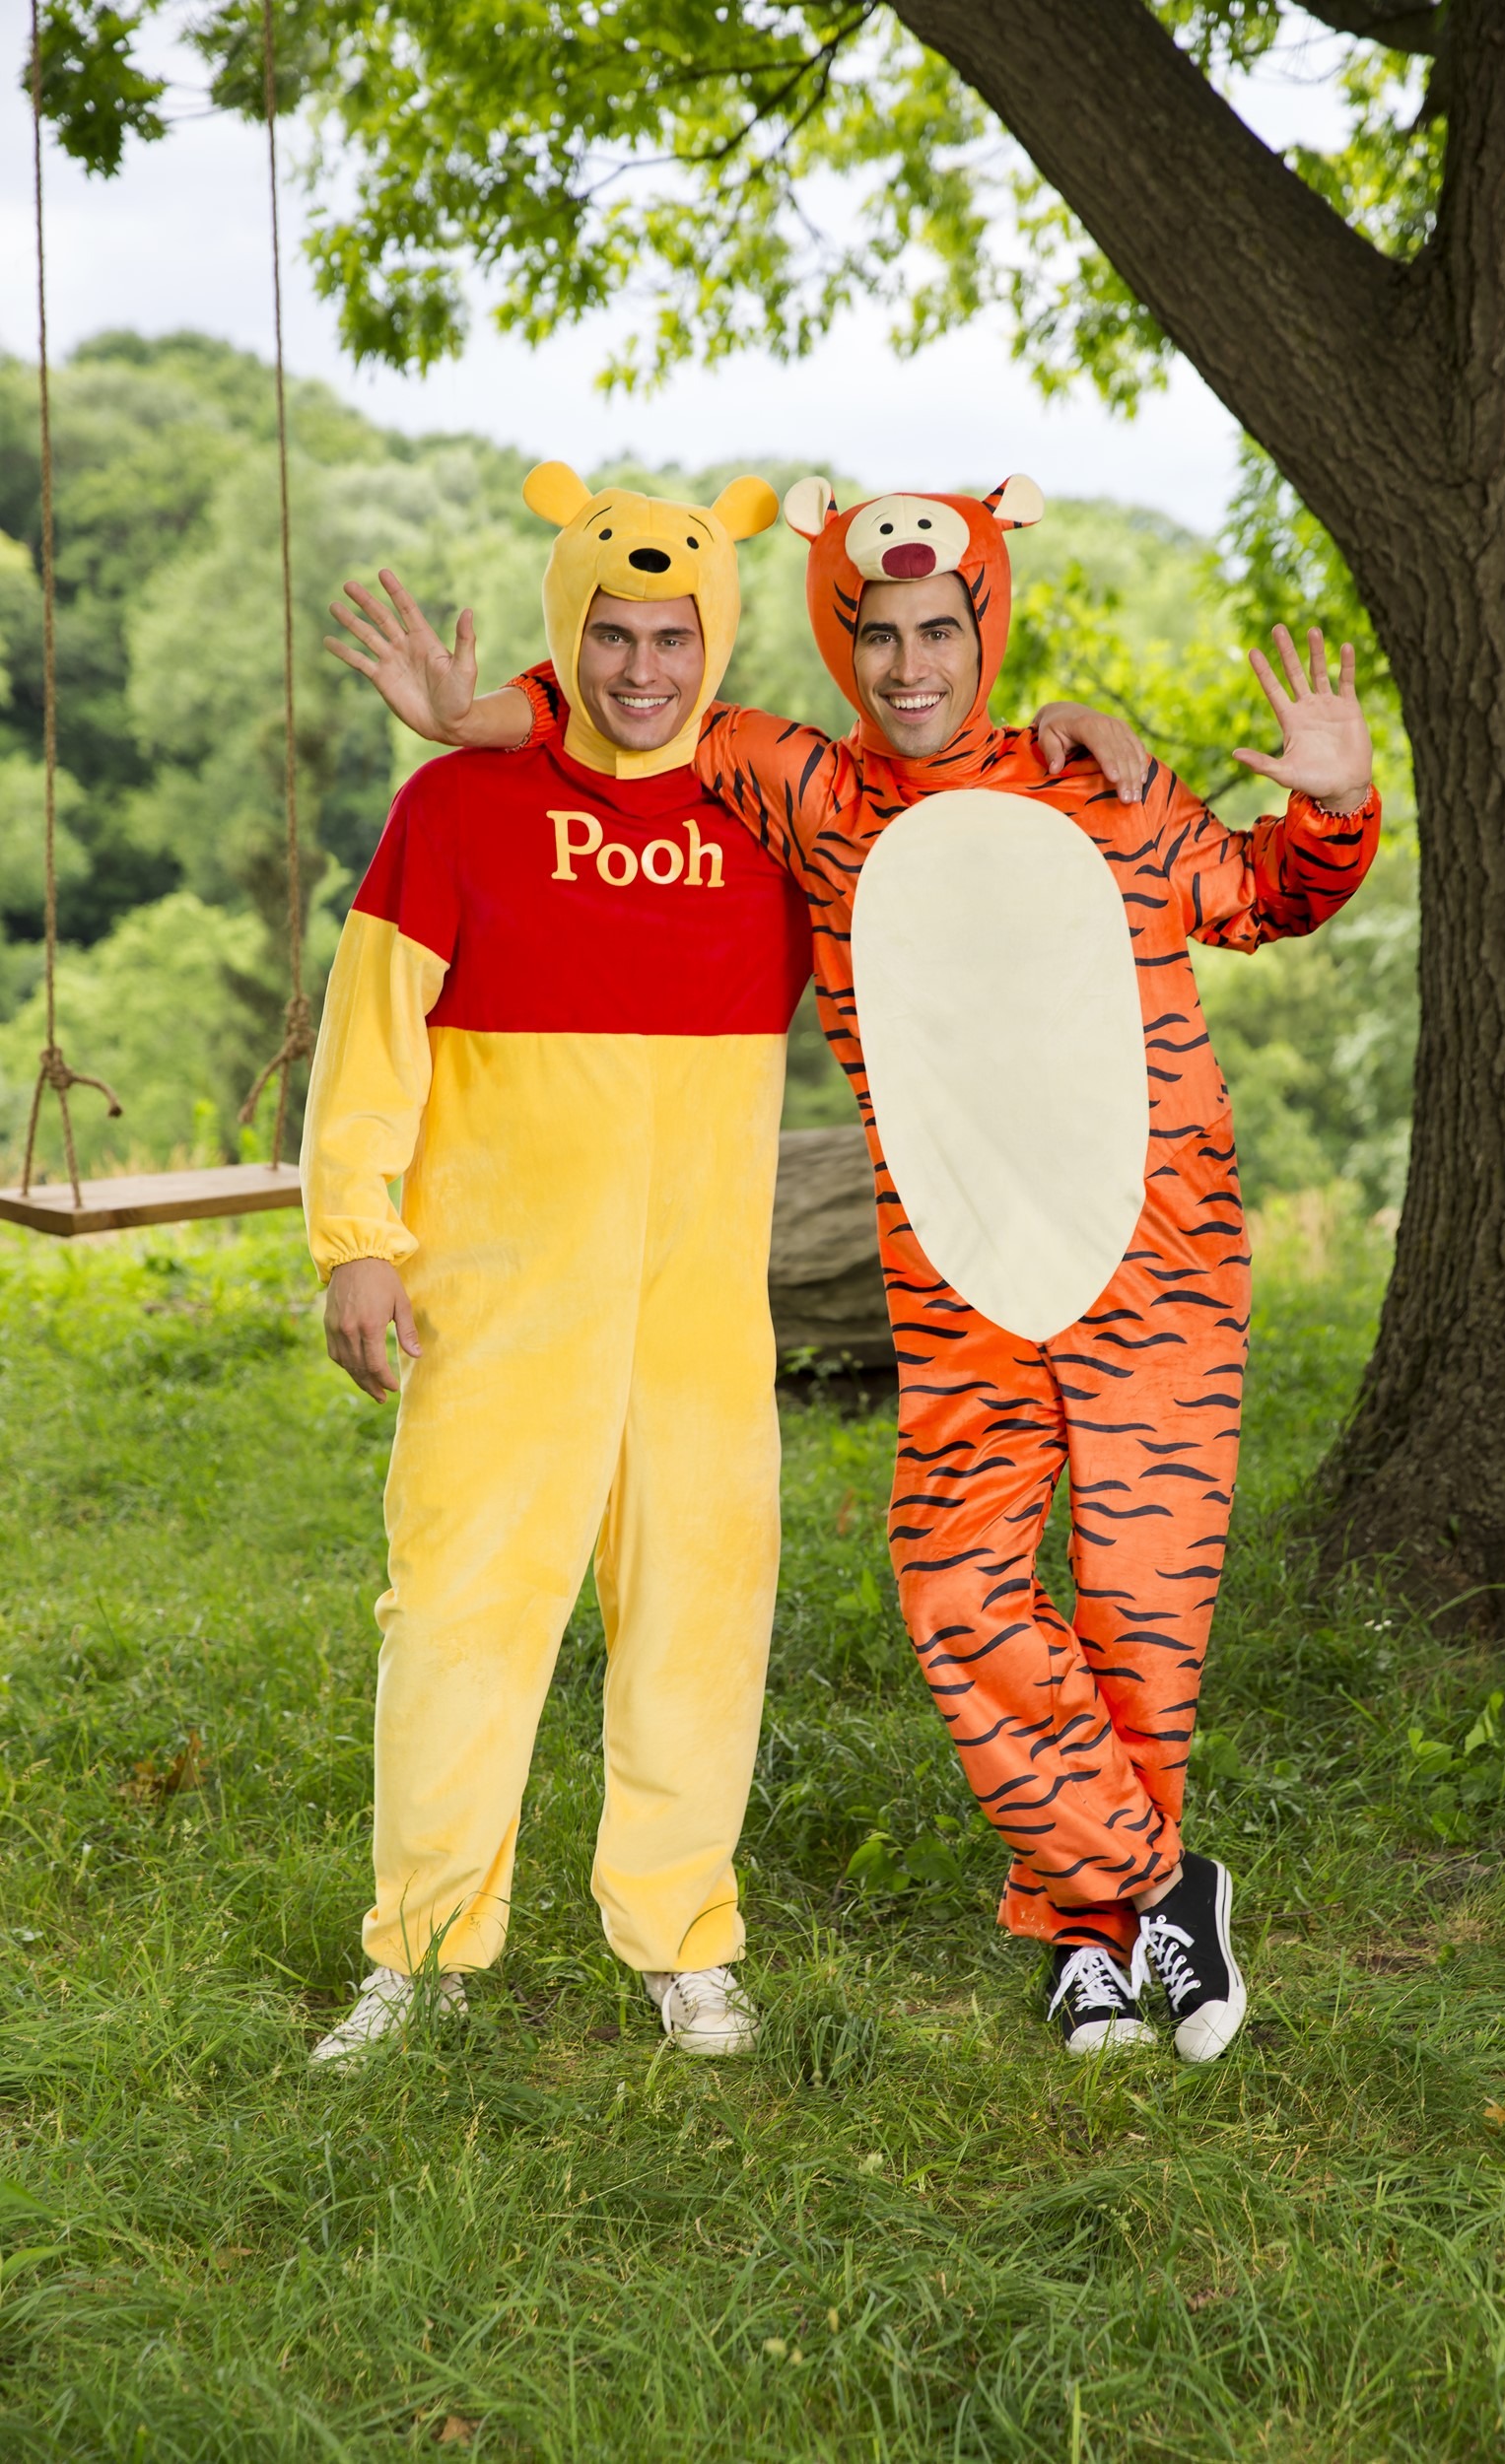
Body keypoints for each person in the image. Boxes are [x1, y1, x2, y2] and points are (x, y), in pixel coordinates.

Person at [433, 471, 1379, 2066]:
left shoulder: (1097, 780)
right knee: (957, 1593)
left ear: (985, 628)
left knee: (1142, 1626)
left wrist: (1336, 801)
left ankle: (1086, 1938)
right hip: (959, 1278)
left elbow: (1270, 897)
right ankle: (1165, 1889)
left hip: (1161, 1262)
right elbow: (640, 705)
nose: (909, 663)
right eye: (877, 634)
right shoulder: (807, 791)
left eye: (940, 628)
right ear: (840, 641)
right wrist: (476, 713)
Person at [309, 462, 1145, 2067]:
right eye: (612, 635)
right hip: (496, 1306)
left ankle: (684, 1941)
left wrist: (1069, 729)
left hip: (698, 1320)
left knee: (700, 1622)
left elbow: (943, 811)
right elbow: (370, 1035)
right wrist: (358, 1238)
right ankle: (417, 1961)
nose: (644, 669)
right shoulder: (456, 807)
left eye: (674, 636)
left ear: (720, 639)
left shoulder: (771, 815)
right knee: (461, 1617)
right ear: (570, 633)